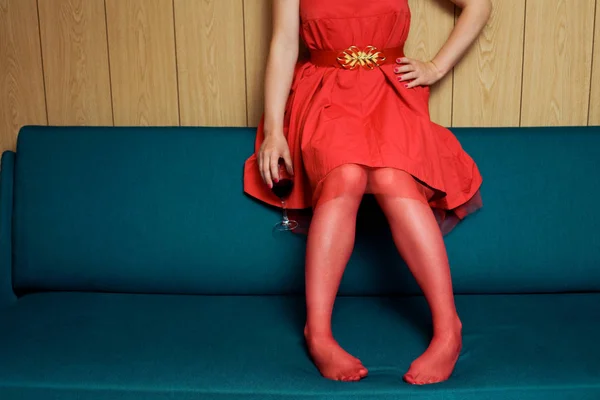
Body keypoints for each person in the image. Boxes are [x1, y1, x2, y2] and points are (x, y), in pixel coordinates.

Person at [244, 0, 491, 385]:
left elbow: (478, 4)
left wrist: (436, 67)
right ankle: (319, 334)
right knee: (345, 176)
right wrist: (275, 129)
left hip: (391, 93)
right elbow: (284, 43)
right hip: (324, 92)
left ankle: (449, 331)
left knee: (394, 178)